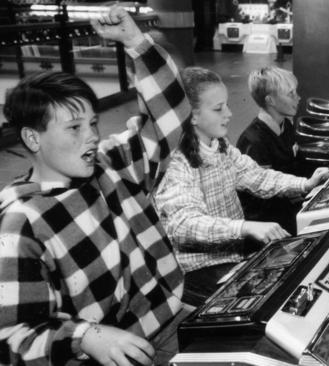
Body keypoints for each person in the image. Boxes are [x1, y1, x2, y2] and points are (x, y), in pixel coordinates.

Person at [0, 6, 192, 366]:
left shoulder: (113, 162)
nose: (91, 137)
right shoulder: (20, 225)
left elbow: (171, 119)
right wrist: (84, 336)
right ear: (32, 138)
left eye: (92, 123)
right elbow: (12, 338)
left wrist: (136, 42)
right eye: (74, 128)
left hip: (174, 319)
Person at [154, 66, 329, 306]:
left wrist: (305, 183)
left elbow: (258, 177)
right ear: (192, 115)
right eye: (218, 108)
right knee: (273, 302)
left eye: (225, 105)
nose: (229, 113)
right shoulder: (177, 163)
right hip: (198, 269)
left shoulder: (221, 145)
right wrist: (245, 227)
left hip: (232, 255)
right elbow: (183, 224)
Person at [236, 66, 306, 235]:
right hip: (270, 224)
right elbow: (260, 197)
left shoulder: (286, 125)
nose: (298, 98)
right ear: (270, 101)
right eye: (291, 94)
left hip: (290, 207)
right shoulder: (254, 141)